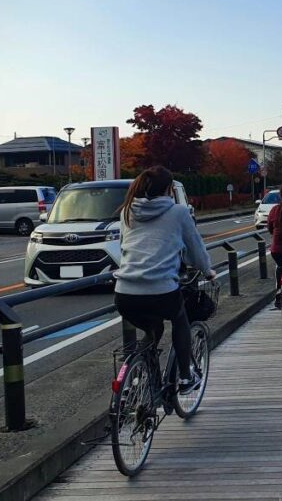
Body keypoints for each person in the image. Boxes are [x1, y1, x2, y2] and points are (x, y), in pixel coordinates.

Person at [114, 166, 214, 395]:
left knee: (152, 330)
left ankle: (139, 379)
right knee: (180, 319)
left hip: (125, 293)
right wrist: (207, 270)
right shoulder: (179, 212)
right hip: (161, 291)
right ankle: (187, 377)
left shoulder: (127, 211)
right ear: (170, 189)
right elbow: (195, 249)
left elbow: (124, 247)